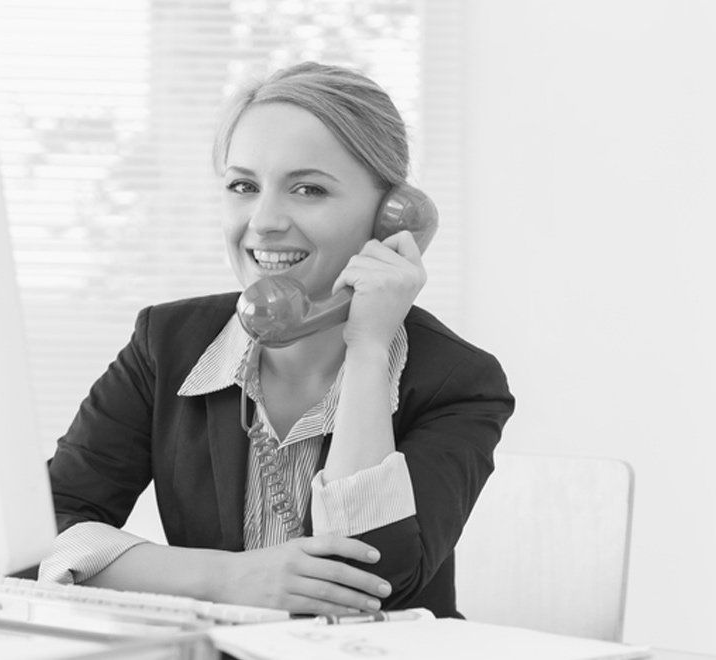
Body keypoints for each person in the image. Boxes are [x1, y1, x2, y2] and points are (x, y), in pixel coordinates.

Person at [41, 62, 515, 619]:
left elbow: (368, 581)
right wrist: (227, 579)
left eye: (309, 189)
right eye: (243, 186)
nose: (264, 220)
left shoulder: (458, 382)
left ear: (391, 218)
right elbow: (44, 529)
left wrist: (367, 350)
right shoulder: (167, 345)